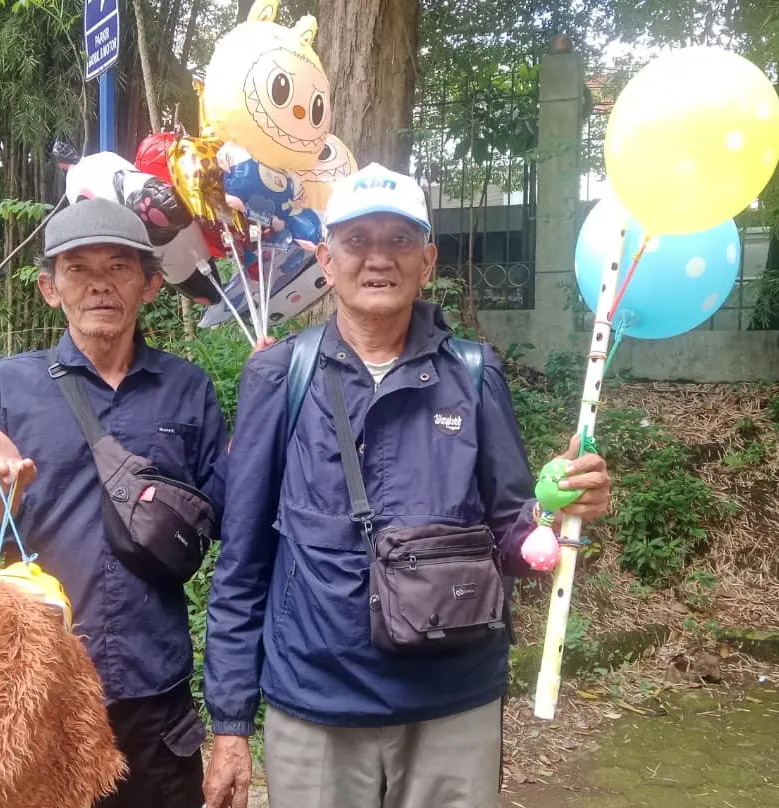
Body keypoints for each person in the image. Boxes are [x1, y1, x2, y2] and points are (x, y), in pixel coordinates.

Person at [201, 163, 614, 808]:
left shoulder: (474, 375)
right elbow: (242, 560)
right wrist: (229, 724)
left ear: (427, 260)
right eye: (356, 240)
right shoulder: (281, 376)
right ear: (325, 259)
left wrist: (558, 513)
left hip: (452, 701)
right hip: (315, 702)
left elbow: (513, 531)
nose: (377, 258)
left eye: (398, 241)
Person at [0, 196, 229, 808]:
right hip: (37, 687)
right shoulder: (7, 386)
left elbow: (229, 516)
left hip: (154, 691)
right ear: (51, 289)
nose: (100, 285)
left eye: (119, 267)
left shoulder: (187, 389)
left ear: (150, 285)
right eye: (78, 269)